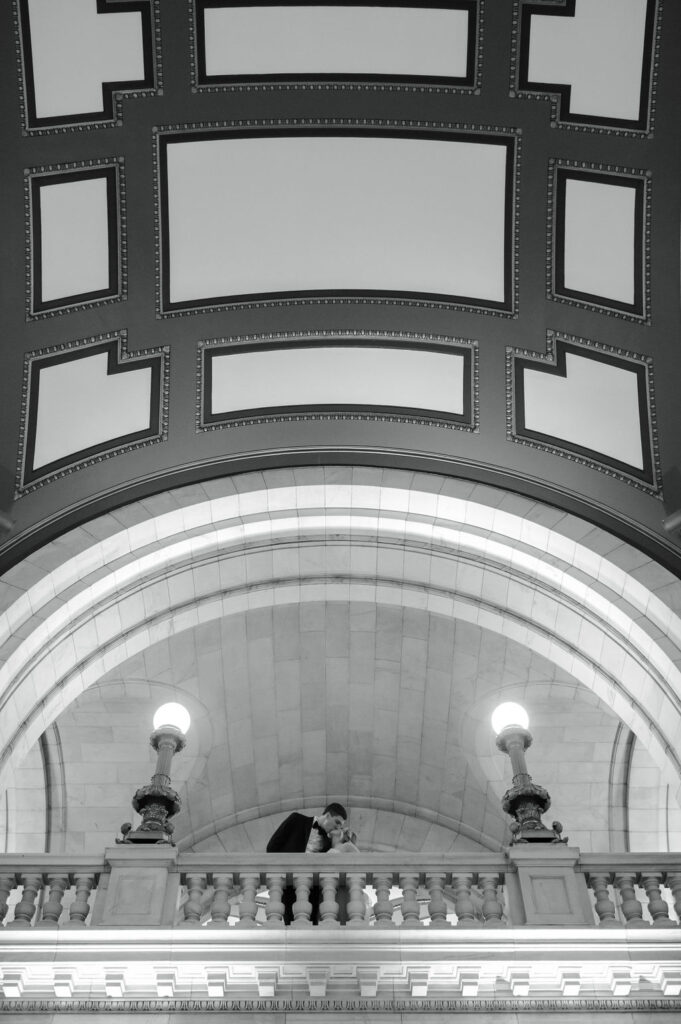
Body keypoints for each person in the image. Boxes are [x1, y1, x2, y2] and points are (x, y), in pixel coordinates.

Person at [266, 802, 348, 923]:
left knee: (311, 928)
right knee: (289, 925)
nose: (338, 828)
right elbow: (272, 847)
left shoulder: (329, 842)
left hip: (312, 891)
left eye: (340, 826)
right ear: (328, 815)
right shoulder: (296, 819)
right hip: (287, 885)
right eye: (337, 822)